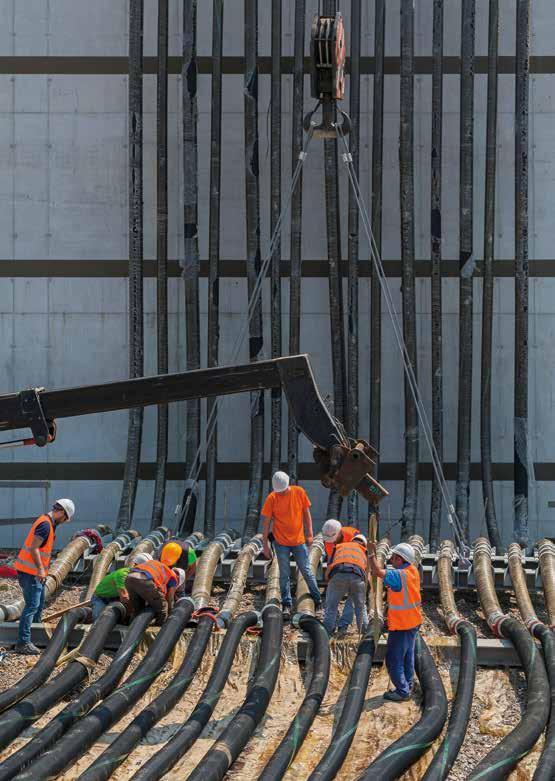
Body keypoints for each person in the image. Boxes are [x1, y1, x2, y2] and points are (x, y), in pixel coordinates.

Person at [14, 499, 75, 654]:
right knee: (31, 606)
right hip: (30, 572)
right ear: (61, 512)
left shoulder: (48, 522)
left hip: (34, 572)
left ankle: (35, 631)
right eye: (65, 518)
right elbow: (34, 548)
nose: (64, 521)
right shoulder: (45, 525)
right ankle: (23, 643)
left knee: (39, 603)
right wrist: (41, 570)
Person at [261, 471, 321, 620]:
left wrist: (310, 534)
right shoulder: (272, 498)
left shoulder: (299, 492)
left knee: (306, 570)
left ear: (288, 485)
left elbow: (306, 514)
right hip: (280, 543)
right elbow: (266, 523)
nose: (281, 494)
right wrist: (265, 545)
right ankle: (287, 604)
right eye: (278, 492)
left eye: (283, 491)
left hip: (299, 541)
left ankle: (318, 600)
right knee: (284, 574)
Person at [368, 542, 422, 702]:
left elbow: (377, 571)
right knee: (407, 656)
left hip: (402, 625)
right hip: (413, 622)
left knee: (394, 659)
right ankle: (408, 683)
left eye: (394, 557)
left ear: (400, 558)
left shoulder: (399, 575)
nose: (391, 559)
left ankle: (402, 691)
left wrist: (371, 554)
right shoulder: (412, 571)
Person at [322, 519, 366, 635]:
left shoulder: (350, 534)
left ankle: (329, 631)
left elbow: (331, 564)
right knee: (360, 607)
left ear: (339, 533)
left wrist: (329, 579)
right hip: (357, 576)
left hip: (338, 574)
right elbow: (366, 570)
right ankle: (365, 632)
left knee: (331, 606)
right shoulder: (363, 550)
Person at [90, 552, 152, 621]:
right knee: (99, 621)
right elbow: (124, 597)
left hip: (116, 598)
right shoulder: (123, 574)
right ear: (136, 565)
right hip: (101, 599)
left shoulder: (139, 577)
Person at [125, 558, 179, 623]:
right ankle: (159, 628)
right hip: (144, 580)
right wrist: (170, 611)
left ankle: (130, 627)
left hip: (129, 578)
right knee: (163, 607)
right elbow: (170, 599)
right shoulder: (172, 576)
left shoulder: (154, 563)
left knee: (138, 609)